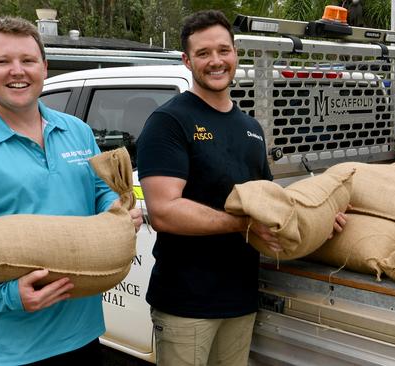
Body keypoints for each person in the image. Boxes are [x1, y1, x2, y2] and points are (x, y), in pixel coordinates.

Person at [137, 10, 346, 366]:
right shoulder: (169, 122)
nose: (215, 61)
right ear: (188, 60)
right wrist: (243, 225)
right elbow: (165, 212)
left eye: (223, 50)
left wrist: (317, 220)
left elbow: (268, 202)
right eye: (203, 53)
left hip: (241, 298)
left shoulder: (250, 127)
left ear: (236, 53)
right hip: (188, 303)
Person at [0, 16, 143, 365]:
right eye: (2, 61)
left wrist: (118, 212)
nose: (17, 71)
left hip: (84, 331)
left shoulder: (77, 131)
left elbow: (99, 193)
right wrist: (7, 296)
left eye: (27, 60)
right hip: (13, 347)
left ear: (45, 66)